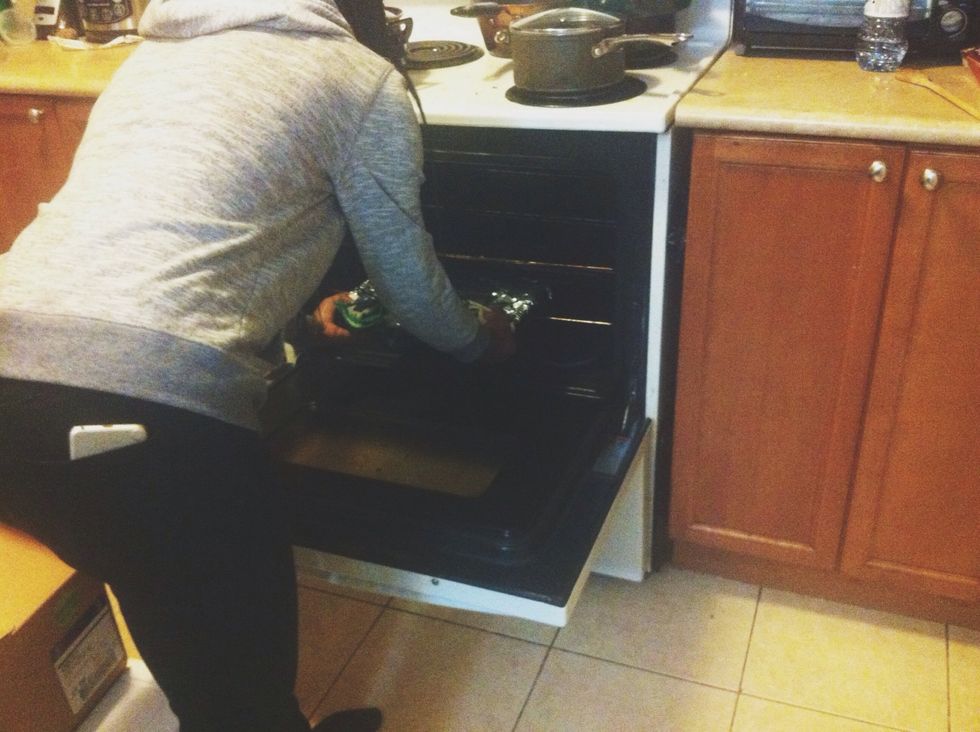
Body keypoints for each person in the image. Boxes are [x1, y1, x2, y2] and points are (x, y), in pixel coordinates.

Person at [0, 1, 515, 730]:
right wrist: (477, 341)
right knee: (238, 689)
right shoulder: (357, 79)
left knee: (173, 610)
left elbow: (178, 237)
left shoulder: (152, 60)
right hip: (142, 417)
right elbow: (405, 276)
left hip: (9, 381)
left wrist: (303, 313)